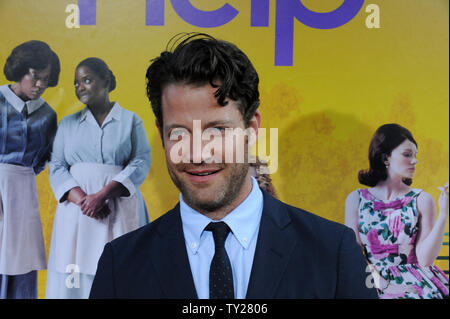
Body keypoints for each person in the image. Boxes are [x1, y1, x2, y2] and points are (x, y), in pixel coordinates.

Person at [89, 33, 377, 299]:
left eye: (217, 130)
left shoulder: (332, 252)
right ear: (162, 134)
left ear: (251, 128)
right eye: (179, 133)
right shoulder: (121, 265)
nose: (198, 153)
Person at [46, 57, 151, 298]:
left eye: (87, 80)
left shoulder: (130, 120)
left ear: (106, 81)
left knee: (122, 268)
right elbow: (58, 166)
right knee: (74, 269)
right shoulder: (67, 124)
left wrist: (103, 195)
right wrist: (85, 200)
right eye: (76, 83)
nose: (79, 87)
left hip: (119, 205)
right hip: (78, 211)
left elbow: (141, 160)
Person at [345, 123, 449, 299]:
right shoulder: (356, 199)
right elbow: (352, 255)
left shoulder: (422, 199)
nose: (415, 161)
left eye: (416, 155)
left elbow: (425, 259)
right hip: (370, 280)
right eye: (407, 155)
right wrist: (386, 286)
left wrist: (444, 214)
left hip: (416, 282)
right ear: (386, 158)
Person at [0, 40, 60, 299]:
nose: (40, 85)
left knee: (22, 260)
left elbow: (43, 158)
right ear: (20, 70)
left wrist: (19, 178)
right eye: (35, 77)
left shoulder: (47, 115)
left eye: (45, 79)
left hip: (23, 190)